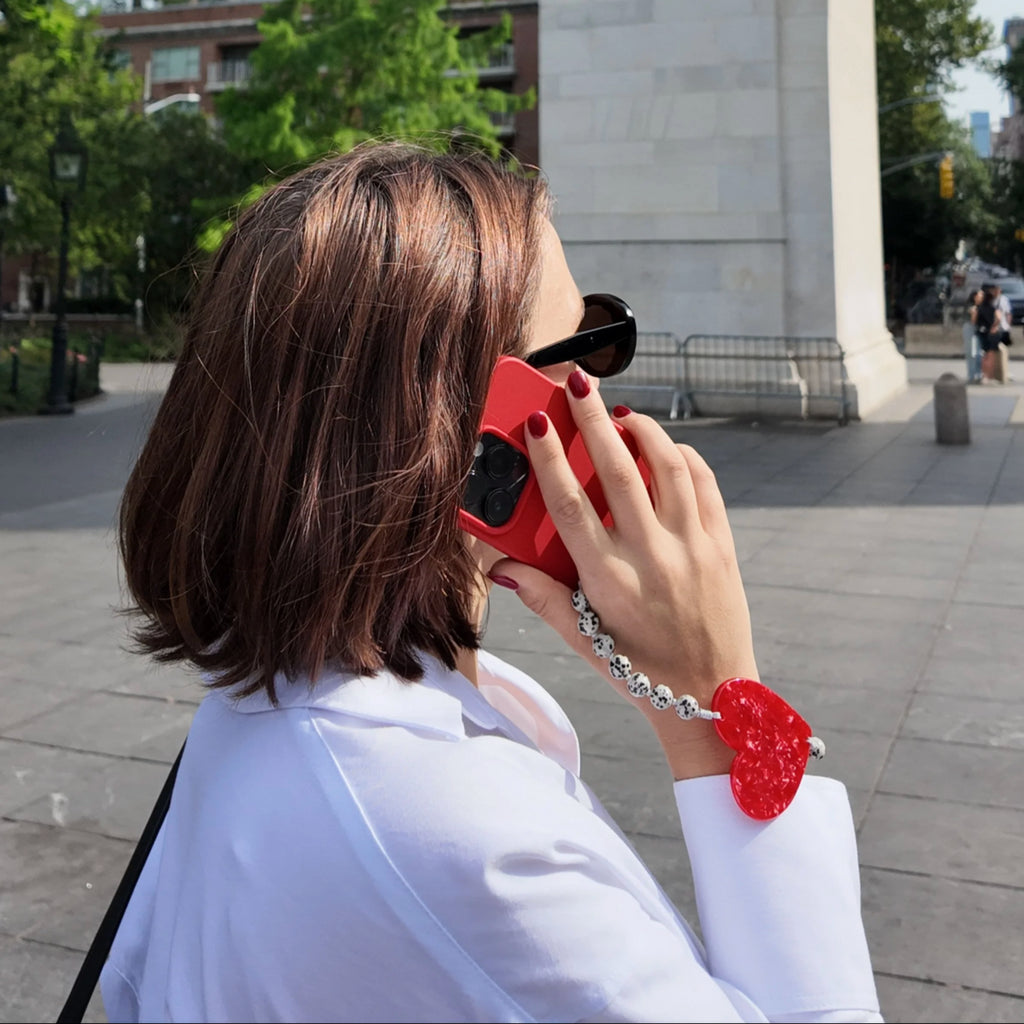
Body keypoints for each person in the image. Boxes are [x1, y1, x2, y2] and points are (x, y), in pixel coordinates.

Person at [102, 143, 882, 1023]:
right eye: (587, 346)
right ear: (481, 437)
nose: (609, 396)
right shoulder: (474, 848)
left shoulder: (251, 703)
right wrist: (715, 698)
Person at [977, 284, 1006, 384]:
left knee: (984, 356)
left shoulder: (980, 308)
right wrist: (995, 325)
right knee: (991, 356)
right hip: (992, 333)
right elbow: (998, 318)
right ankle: (990, 376)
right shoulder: (993, 308)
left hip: (982, 332)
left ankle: (983, 376)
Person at [963, 287, 984, 384]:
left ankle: (978, 373)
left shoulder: (981, 306)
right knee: (971, 352)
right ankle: (971, 375)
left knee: (979, 353)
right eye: (980, 295)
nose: (982, 297)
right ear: (975, 296)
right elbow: (973, 320)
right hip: (970, 328)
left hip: (979, 329)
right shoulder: (971, 306)